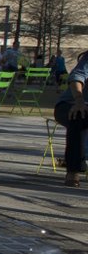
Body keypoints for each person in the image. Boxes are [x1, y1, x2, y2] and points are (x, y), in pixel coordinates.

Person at [53, 50, 88, 188]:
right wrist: (79, 100)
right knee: (78, 116)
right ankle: (73, 171)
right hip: (69, 104)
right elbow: (77, 77)